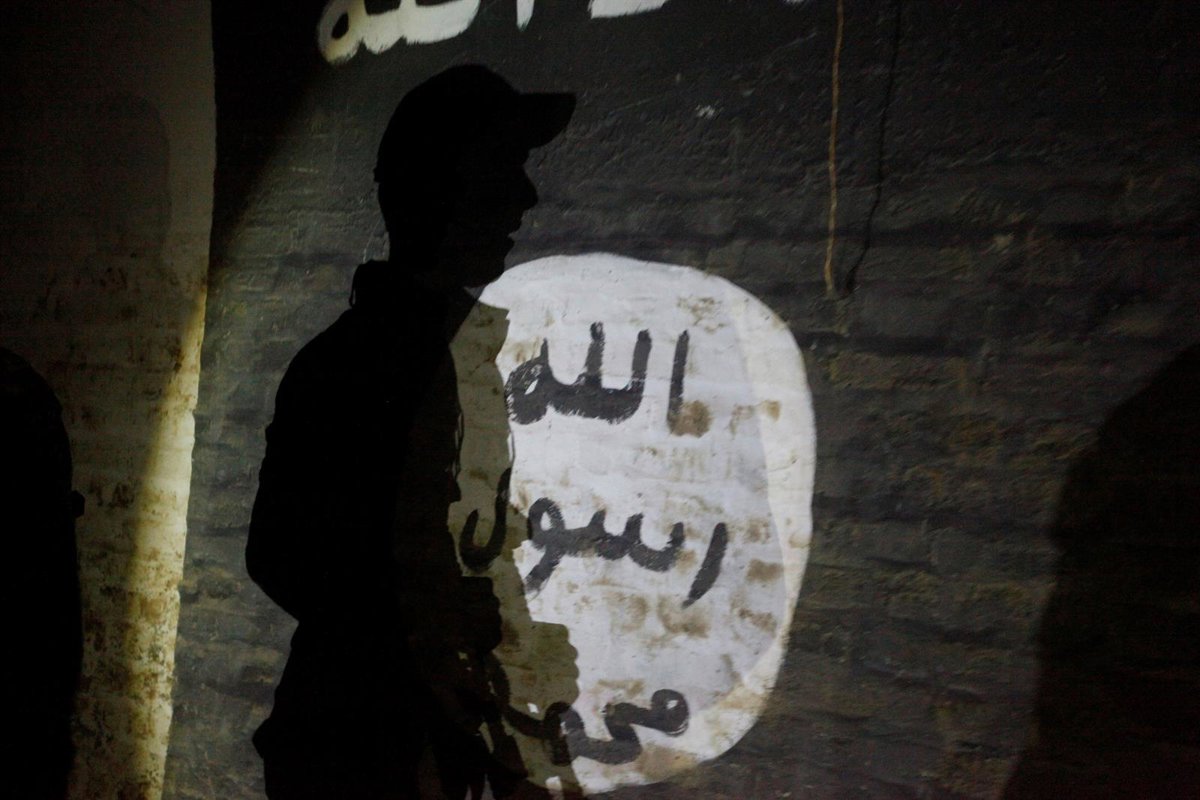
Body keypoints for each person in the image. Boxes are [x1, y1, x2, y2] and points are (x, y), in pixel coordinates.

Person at [246, 65, 574, 799]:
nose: (524, 197)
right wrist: (425, 643)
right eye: (501, 169)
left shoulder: (439, 360)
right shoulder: (374, 364)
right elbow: (281, 555)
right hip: (366, 752)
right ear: (441, 189)